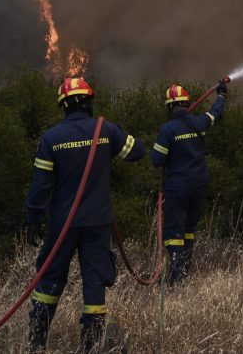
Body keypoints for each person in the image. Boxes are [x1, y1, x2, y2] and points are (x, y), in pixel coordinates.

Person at [24, 77, 145, 353]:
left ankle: (36, 341)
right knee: (94, 282)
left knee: (49, 279)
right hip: (97, 223)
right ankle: (91, 344)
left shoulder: (52, 138)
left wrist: (33, 219)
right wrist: (116, 134)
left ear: (63, 105)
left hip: (63, 224)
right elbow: (138, 152)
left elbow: (40, 185)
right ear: (90, 101)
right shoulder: (107, 131)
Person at [150, 79, 227, 284]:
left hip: (178, 187)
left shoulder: (167, 130)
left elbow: (157, 160)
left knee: (174, 232)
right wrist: (221, 96)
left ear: (170, 106)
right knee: (189, 231)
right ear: (186, 103)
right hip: (199, 185)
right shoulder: (199, 122)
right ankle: (182, 272)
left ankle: (174, 277)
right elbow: (215, 114)